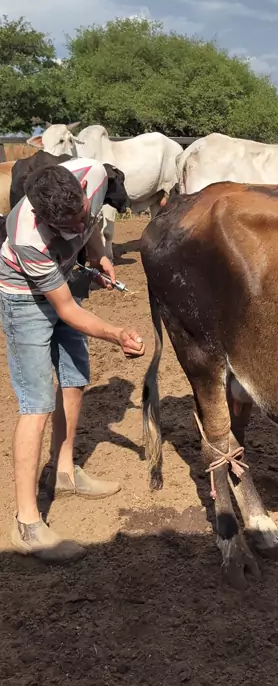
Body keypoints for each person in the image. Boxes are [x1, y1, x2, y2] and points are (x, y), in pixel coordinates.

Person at [0, 158, 146, 564]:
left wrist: (98, 255)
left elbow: (92, 222)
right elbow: (66, 310)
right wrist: (116, 332)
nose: (76, 225)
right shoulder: (26, 236)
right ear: (42, 216)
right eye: (65, 226)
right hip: (23, 298)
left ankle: (63, 474)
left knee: (75, 377)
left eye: (80, 214)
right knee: (36, 404)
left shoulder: (94, 176)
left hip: (63, 279)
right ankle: (26, 524)